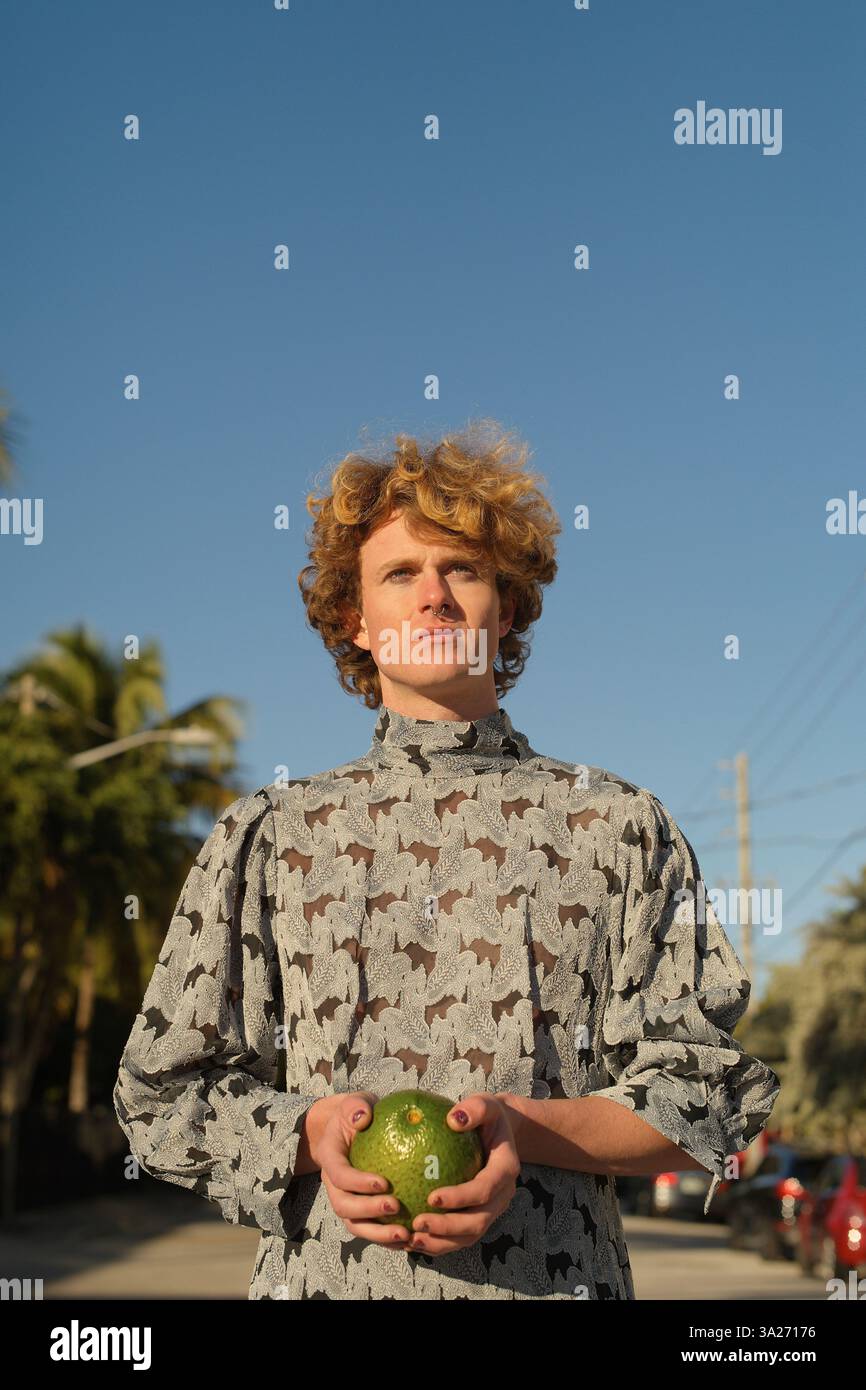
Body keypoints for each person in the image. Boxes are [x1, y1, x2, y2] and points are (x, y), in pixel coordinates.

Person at [113, 420, 781, 1299]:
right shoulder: (268, 833)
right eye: (400, 572)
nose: (434, 596)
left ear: (504, 609)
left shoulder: (620, 826)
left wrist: (519, 1129)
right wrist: (307, 1130)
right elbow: (160, 1093)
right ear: (355, 618)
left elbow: (705, 1097)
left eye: (461, 569)